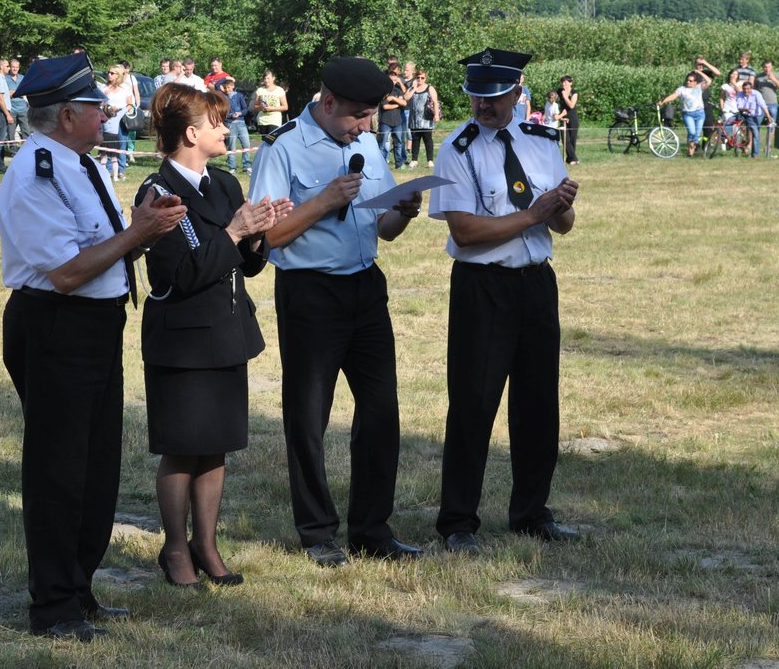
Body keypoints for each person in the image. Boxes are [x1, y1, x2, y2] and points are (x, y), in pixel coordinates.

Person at [0, 52, 187, 642]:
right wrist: (138, 233)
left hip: (98, 325)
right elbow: (65, 273)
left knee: (96, 468)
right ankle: (53, 606)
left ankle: (78, 588)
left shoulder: (83, 164)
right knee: (58, 470)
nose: (106, 113)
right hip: (57, 325)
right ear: (66, 115)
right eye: (94, 106)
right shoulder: (36, 174)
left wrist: (144, 229)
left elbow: (105, 249)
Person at [248, 56, 424, 567]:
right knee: (309, 416)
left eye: (371, 116)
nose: (366, 127)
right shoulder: (282, 147)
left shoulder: (364, 142)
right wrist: (322, 202)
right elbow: (265, 238)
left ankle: (372, 529)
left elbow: (383, 227)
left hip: (366, 288)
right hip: (310, 293)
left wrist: (403, 212)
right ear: (327, 103)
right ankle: (317, 532)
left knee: (381, 412)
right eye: (359, 116)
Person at [137, 83, 291, 588]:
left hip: (225, 332)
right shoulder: (158, 193)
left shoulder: (223, 184)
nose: (227, 130)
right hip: (182, 341)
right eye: (217, 122)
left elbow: (244, 266)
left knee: (215, 446)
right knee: (183, 448)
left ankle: (206, 544)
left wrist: (260, 233)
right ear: (190, 133)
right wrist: (234, 232)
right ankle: (175, 550)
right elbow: (179, 275)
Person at [428, 48, 579, 555]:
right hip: (483, 287)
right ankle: (457, 523)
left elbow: (563, 225)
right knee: (473, 404)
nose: (483, 106)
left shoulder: (542, 142)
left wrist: (559, 208)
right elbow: (465, 231)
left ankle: (532, 513)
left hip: (536, 283)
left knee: (538, 403)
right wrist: (534, 214)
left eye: (493, 98)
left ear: (517, 93)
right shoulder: (458, 149)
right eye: (476, 97)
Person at [658, 70, 711, 157]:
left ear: (695, 82)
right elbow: (673, 96)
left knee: (697, 134)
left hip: (700, 114)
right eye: (687, 80)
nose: (688, 82)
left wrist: (699, 72)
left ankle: (692, 149)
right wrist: (663, 101)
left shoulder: (699, 87)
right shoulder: (681, 89)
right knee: (692, 131)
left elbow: (709, 81)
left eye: (691, 81)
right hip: (688, 114)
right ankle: (691, 148)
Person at [99, 64, 132, 182]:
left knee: (120, 145)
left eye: (112, 73)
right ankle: (107, 172)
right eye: (108, 72)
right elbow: (99, 103)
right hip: (106, 119)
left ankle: (120, 171)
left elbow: (130, 104)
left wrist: (119, 110)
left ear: (118, 75)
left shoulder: (125, 88)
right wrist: (105, 102)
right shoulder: (103, 87)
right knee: (106, 147)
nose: (109, 74)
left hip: (120, 119)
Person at [404, 68, 440, 168]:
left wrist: (436, 115)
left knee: (428, 139)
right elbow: (406, 98)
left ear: (425, 78)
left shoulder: (429, 88)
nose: (420, 79)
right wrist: (414, 88)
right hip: (414, 120)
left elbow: (435, 102)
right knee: (415, 140)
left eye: (422, 78)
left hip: (426, 120)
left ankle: (430, 160)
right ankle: (414, 160)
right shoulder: (412, 88)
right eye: (418, 77)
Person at [378, 66, 408, 169]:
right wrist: (397, 104)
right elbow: (385, 106)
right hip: (385, 121)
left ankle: (399, 164)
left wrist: (393, 99)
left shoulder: (398, 91)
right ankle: (381, 164)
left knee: (399, 143)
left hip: (398, 122)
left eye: (395, 79)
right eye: (392, 80)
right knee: (382, 144)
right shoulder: (383, 91)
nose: (394, 81)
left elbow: (404, 103)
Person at [735, 80, 774, 158]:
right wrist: (746, 110)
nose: (746, 91)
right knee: (751, 132)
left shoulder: (757, 94)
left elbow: (763, 105)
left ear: (751, 88)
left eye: (748, 89)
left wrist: (768, 116)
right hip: (744, 114)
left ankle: (755, 154)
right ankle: (747, 149)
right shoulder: (739, 94)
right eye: (744, 89)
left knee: (755, 133)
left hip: (757, 115)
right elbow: (739, 107)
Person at [222, 78, 252, 173]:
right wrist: (231, 115)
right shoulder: (223, 98)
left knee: (246, 145)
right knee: (232, 147)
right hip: (230, 124)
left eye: (229, 87)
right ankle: (232, 167)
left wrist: (240, 113)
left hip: (241, 123)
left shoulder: (239, 96)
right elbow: (223, 113)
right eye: (225, 88)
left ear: (233, 86)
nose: (227, 89)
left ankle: (246, 166)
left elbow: (245, 109)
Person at [252, 70, 287, 139]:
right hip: (262, 120)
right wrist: (261, 107)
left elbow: (285, 107)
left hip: (275, 120)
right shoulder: (260, 90)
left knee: (272, 141)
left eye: (268, 78)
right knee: (265, 142)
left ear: (273, 78)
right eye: (265, 78)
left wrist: (272, 108)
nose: (266, 80)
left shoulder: (279, 90)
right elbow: (255, 106)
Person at [5, 59, 30, 152]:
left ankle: (26, 150)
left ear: (19, 68)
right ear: (10, 67)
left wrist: (15, 93)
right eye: (13, 67)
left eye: (16, 67)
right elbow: (3, 94)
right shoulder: (5, 78)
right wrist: (10, 93)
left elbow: (26, 91)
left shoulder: (22, 78)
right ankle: (13, 151)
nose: (15, 69)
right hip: (11, 109)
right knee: (11, 133)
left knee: (26, 131)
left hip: (23, 109)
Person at [755, 60, 779, 131]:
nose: (767, 69)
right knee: (756, 124)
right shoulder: (758, 77)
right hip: (761, 104)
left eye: (769, 67)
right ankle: (756, 138)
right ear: (763, 67)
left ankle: (770, 138)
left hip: (772, 104)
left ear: (772, 67)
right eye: (765, 67)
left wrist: (774, 79)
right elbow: (755, 90)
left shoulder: (776, 76)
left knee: (772, 126)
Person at [557, 75, 579, 164]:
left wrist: (565, 96)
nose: (563, 84)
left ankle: (570, 159)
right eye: (562, 82)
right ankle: (574, 159)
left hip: (573, 117)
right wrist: (559, 116)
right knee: (565, 139)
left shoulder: (574, 92)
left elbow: (571, 105)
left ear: (570, 83)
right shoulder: (559, 91)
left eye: (565, 82)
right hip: (563, 117)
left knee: (572, 139)